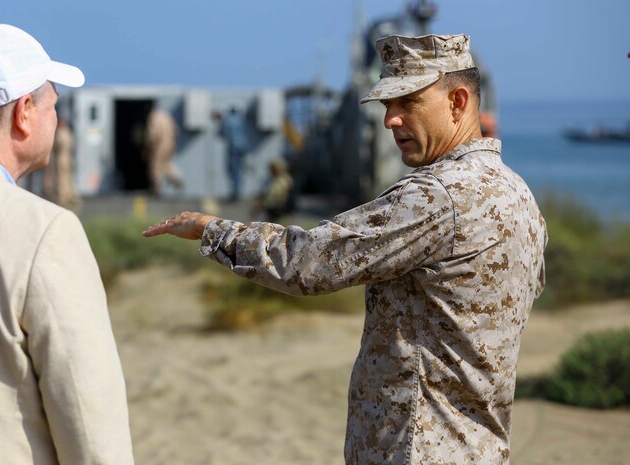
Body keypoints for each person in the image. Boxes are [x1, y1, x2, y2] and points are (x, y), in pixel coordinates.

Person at [144, 33, 547, 465]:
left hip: (416, 450)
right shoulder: (517, 194)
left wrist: (211, 229)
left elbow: (307, 263)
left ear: (458, 101)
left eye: (408, 101)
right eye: (387, 105)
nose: (390, 119)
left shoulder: (438, 196)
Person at [0, 24, 135, 464]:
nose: (57, 117)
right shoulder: (42, 230)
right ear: (24, 113)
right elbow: (86, 415)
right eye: (53, 103)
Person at [143, 104, 183, 196]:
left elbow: (152, 135)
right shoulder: (166, 115)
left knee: (155, 168)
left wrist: (148, 147)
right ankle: (176, 179)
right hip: (171, 143)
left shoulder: (152, 118)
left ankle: (157, 190)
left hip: (160, 145)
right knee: (167, 165)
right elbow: (176, 130)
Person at [42, 116, 81, 209]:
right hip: (66, 159)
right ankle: (69, 197)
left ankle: (62, 198)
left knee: (61, 180)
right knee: (67, 179)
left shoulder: (61, 133)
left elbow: (59, 145)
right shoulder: (69, 133)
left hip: (60, 160)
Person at [218, 106, 249, 201]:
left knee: (233, 170)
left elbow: (221, 133)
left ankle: (235, 193)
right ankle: (238, 191)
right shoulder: (241, 119)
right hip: (243, 146)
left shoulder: (227, 120)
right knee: (240, 170)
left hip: (233, 147)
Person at [253, 158, 294, 222]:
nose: (270, 172)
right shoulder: (286, 178)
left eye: (272, 170)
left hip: (275, 210)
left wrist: (262, 205)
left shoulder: (280, 181)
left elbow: (273, 197)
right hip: (279, 209)